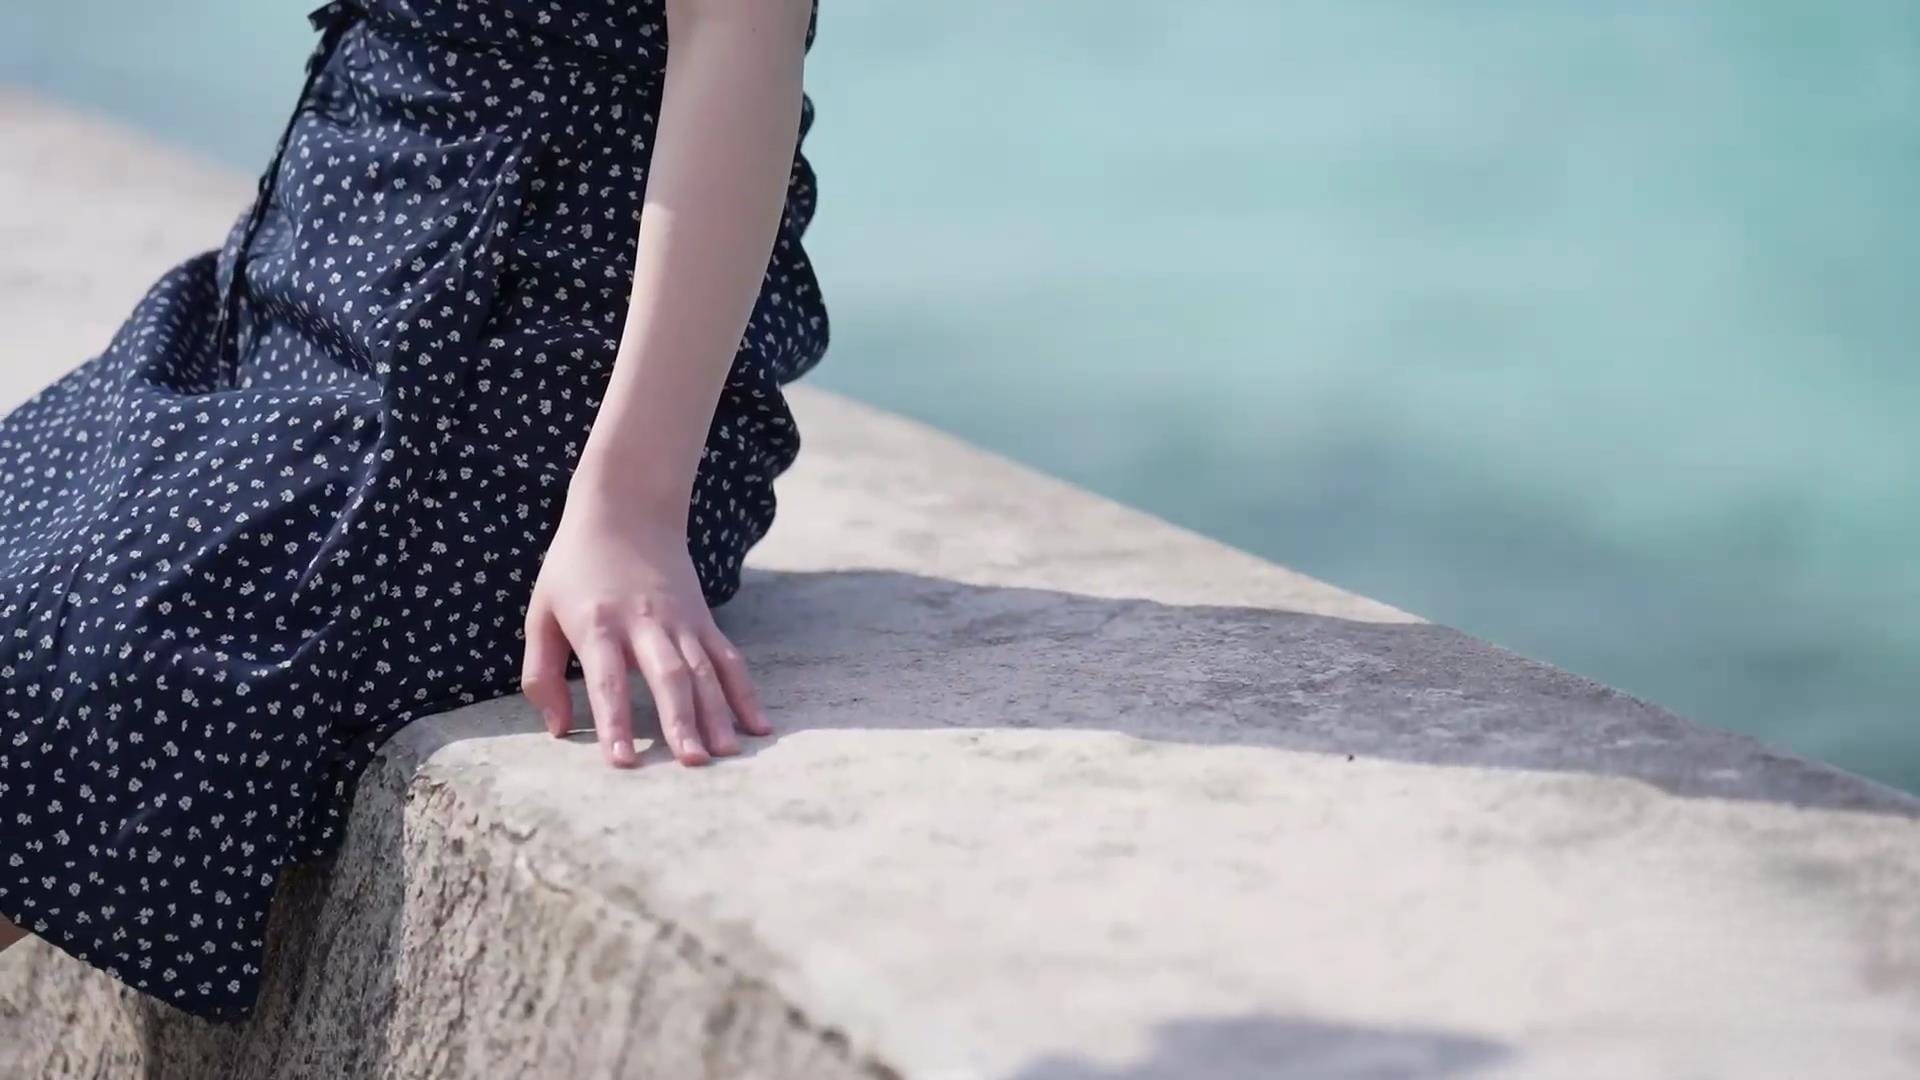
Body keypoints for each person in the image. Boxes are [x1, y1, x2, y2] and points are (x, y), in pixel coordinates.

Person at [0, 0, 827, 1020]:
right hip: (299, 281)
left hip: (516, 363)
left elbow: (737, 37)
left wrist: (631, 505)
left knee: (97, 653)